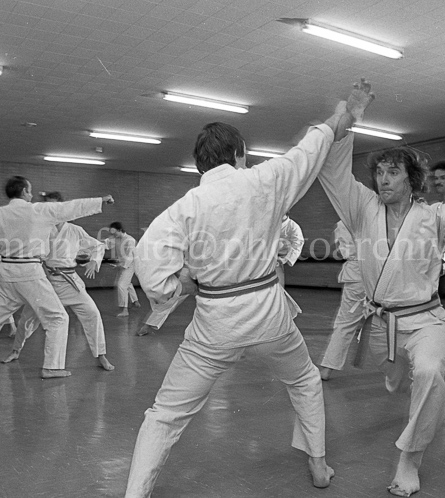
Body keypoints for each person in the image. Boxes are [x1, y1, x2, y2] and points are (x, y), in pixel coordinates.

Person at [123, 84, 371, 497]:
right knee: (305, 381)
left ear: (200, 163)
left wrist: (174, 289)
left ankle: (135, 493)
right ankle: (319, 465)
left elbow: (149, 261)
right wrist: (344, 116)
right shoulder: (266, 179)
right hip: (269, 318)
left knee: (165, 413)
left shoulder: (185, 206)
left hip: (213, 324)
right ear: (240, 153)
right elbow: (310, 149)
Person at [317, 80, 445, 497]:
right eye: (379, 171)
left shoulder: (437, 218)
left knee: (430, 373)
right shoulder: (361, 209)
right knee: (398, 382)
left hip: (426, 319)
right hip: (382, 326)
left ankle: (409, 460)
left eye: (393, 171)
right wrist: (347, 120)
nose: (382, 178)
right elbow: (334, 171)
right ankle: (428, 402)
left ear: (413, 181)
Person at [0, 176, 114, 382]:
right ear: (23, 191)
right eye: (29, 190)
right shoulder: (37, 210)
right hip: (30, 271)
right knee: (57, 318)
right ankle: (52, 367)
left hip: (6, 271)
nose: (31, 194)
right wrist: (100, 201)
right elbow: (73, 208)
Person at [3, 191, 114, 371]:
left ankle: (101, 355)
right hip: (45, 282)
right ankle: (16, 350)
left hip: (69, 281)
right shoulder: (39, 230)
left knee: (92, 313)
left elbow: (97, 246)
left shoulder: (74, 230)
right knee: (27, 319)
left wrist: (94, 260)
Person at [317, 220, 366, 380]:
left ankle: (327, 369)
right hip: (380, 272)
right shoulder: (379, 217)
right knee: (396, 320)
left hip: (355, 273)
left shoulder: (342, 222)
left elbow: (333, 246)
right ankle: (405, 371)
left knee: (345, 322)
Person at [106, 222, 140, 317]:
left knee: (121, 285)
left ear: (120, 230)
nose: (113, 235)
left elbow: (130, 256)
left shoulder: (130, 240)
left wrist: (121, 265)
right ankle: (135, 301)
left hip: (129, 265)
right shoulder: (116, 239)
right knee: (126, 283)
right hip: (121, 264)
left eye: (115, 233)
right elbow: (106, 244)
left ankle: (125, 310)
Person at [275, 213, 304, 286]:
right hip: (270, 257)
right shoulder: (271, 225)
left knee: (279, 283)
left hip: (283, 259)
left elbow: (297, 243)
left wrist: (286, 259)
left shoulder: (293, 226)